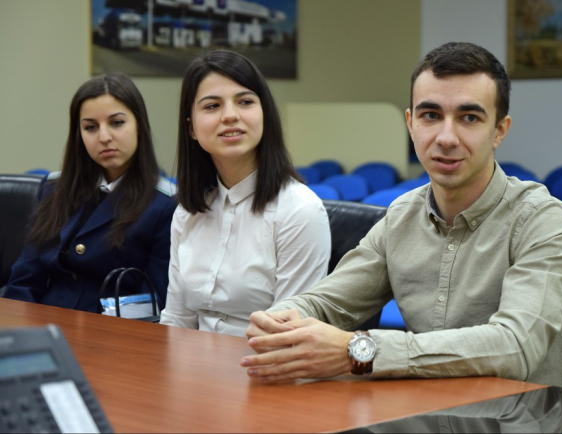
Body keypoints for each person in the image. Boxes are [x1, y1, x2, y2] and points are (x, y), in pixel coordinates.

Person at [240, 42, 562, 389]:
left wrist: (360, 351)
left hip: (525, 413)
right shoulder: (401, 217)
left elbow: (516, 347)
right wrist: (280, 321)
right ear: (411, 124)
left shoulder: (544, 221)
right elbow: (327, 302)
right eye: (430, 115)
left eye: (469, 118)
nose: (446, 138)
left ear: (499, 131)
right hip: (425, 408)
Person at [159, 49, 331, 337]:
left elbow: (286, 334)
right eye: (212, 106)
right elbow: (177, 318)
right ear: (191, 128)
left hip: (264, 358)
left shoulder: (300, 211)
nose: (230, 115)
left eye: (245, 102)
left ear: (265, 114)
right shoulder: (187, 213)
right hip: (190, 360)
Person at [4, 72, 177, 313]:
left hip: (113, 330)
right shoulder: (54, 189)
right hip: (45, 322)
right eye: (90, 127)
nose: (104, 137)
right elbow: (24, 282)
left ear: (139, 125)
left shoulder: (165, 204)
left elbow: (159, 302)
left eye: (117, 123)